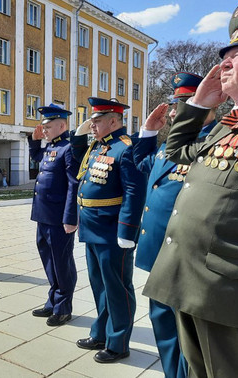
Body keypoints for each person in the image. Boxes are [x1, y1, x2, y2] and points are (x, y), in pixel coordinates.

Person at [143, 1, 238, 376]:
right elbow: (176, 152)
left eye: (236, 54)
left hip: (232, 297)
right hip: (189, 283)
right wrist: (199, 103)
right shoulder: (231, 121)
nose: (222, 64)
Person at [133, 72, 216, 378]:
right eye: (172, 104)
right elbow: (140, 167)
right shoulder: (170, 143)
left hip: (187, 256)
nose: (170, 112)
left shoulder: (215, 140)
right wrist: (146, 134)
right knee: (163, 325)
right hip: (159, 251)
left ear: (205, 104)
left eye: (179, 104)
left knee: (188, 336)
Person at [74, 97, 147, 363]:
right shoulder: (98, 147)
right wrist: (80, 135)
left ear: (114, 121)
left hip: (112, 230)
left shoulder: (126, 148)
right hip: (93, 226)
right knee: (99, 285)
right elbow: (77, 169)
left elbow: (134, 192)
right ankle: (101, 333)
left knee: (117, 287)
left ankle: (119, 343)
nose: (91, 126)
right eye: (92, 121)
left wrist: (127, 231)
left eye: (96, 121)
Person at [28, 103, 81, 327]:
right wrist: (34, 140)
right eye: (43, 126)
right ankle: (52, 302)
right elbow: (37, 157)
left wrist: (70, 217)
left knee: (62, 263)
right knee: (49, 261)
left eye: (48, 126)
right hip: (43, 215)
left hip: (59, 218)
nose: (45, 130)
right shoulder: (51, 148)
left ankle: (63, 308)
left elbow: (73, 184)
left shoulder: (69, 148)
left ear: (62, 125)